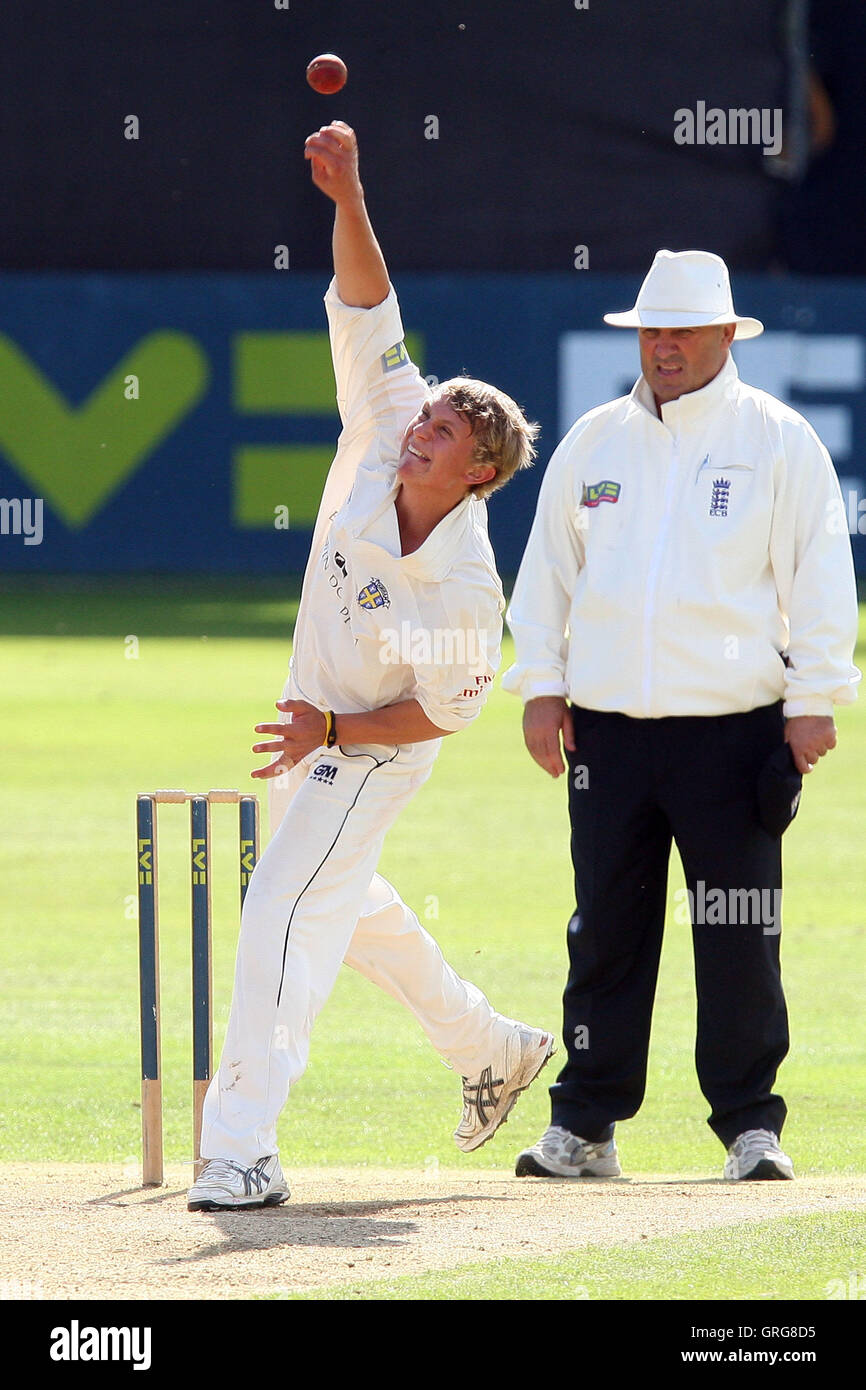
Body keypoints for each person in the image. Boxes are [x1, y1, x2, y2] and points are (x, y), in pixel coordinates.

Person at [188, 123, 552, 1211]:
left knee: (282, 912)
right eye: (428, 409)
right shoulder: (390, 416)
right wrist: (347, 195)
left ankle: (239, 1148)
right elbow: (369, 309)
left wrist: (334, 735)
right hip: (315, 726)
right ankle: (488, 1045)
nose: (419, 425)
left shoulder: (463, 597)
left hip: (371, 752)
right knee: (343, 910)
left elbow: (440, 718)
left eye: (443, 428)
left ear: (477, 470)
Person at [503, 249, 860, 1183]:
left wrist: (813, 699)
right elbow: (546, 574)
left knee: (740, 930)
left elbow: (822, 582)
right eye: (650, 329)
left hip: (733, 731)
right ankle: (584, 1125)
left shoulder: (779, 440)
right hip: (608, 732)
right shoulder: (593, 443)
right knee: (605, 930)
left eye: (682, 330)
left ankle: (749, 1123)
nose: (663, 346)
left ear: (726, 336)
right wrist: (541, 684)